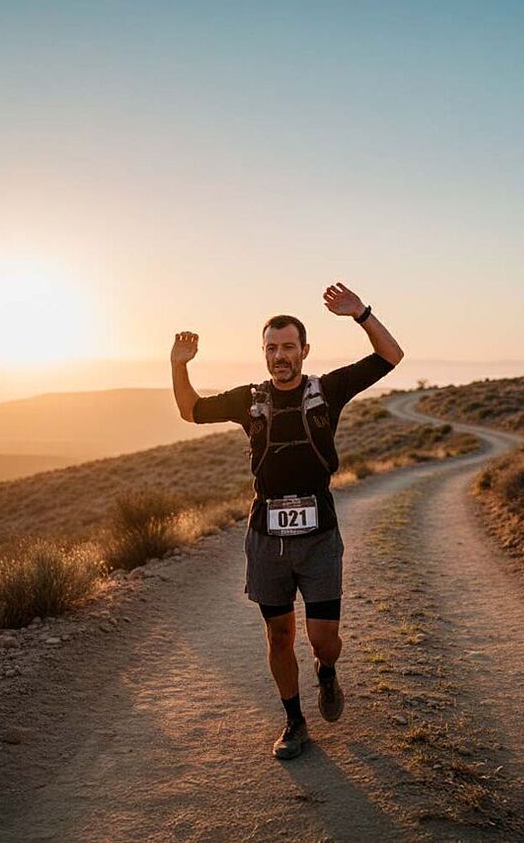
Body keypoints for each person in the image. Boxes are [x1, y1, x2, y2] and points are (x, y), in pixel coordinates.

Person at [171, 282, 404, 760]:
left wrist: (361, 313)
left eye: (289, 347)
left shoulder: (328, 390)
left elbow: (391, 356)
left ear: (304, 351)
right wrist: (178, 365)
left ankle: (327, 672)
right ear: (264, 353)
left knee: (325, 641)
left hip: (319, 534)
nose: (281, 355)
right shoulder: (247, 400)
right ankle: (294, 722)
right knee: (279, 635)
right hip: (266, 537)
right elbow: (190, 411)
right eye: (272, 348)